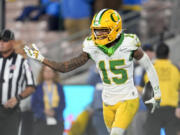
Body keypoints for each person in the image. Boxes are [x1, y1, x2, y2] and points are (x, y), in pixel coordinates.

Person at [24, 9, 161, 135]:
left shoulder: (129, 44)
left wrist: (157, 93)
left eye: (103, 30)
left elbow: (149, 66)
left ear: (115, 29)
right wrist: (41, 58)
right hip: (107, 101)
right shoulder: (92, 46)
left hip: (128, 98)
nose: (98, 34)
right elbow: (65, 67)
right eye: (96, 30)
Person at [0, 29, 35, 135]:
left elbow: (32, 86)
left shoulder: (26, 64)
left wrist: (18, 98)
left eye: (21, 48)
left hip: (19, 110)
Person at [143, 43, 180, 135]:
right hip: (171, 110)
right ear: (169, 54)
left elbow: (141, 89)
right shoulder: (176, 69)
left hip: (154, 110)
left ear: (156, 54)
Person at [31, 65, 65, 135]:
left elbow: (63, 104)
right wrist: (44, 111)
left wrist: (54, 111)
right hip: (41, 120)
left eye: (50, 71)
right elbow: (33, 105)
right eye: (46, 71)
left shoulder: (59, 87)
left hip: (57, 120)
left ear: (54, 73)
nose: (48, 73)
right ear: (42, 73)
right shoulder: (37, 88)